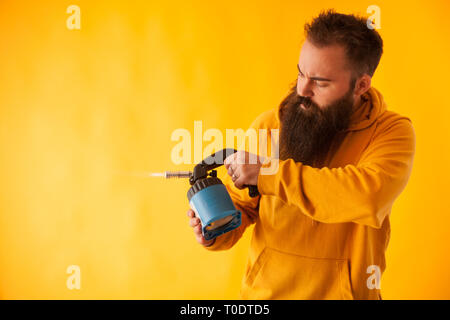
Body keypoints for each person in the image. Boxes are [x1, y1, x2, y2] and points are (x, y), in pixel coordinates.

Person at [187, 9, 415, 300]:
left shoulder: (391, 132)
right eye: (300, 72)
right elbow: (241, 209)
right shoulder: (269, 125)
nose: (302, 89)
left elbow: (368, 196)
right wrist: (214, 228)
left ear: (361, 85)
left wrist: (268, 173)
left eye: (320, 82)